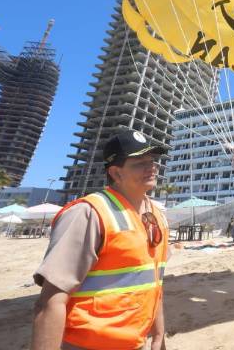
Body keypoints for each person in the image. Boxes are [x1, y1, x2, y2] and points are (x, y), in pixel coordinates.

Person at [31, 129, 169, 350]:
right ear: (116, 173)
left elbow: (153, 283)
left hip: (135, 342)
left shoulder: (157, 216)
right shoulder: (87, 213)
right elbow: (51, 301)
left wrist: (159, 334)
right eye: (139, 163)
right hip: (88, 344)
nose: (151, 167)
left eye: (152, 160)